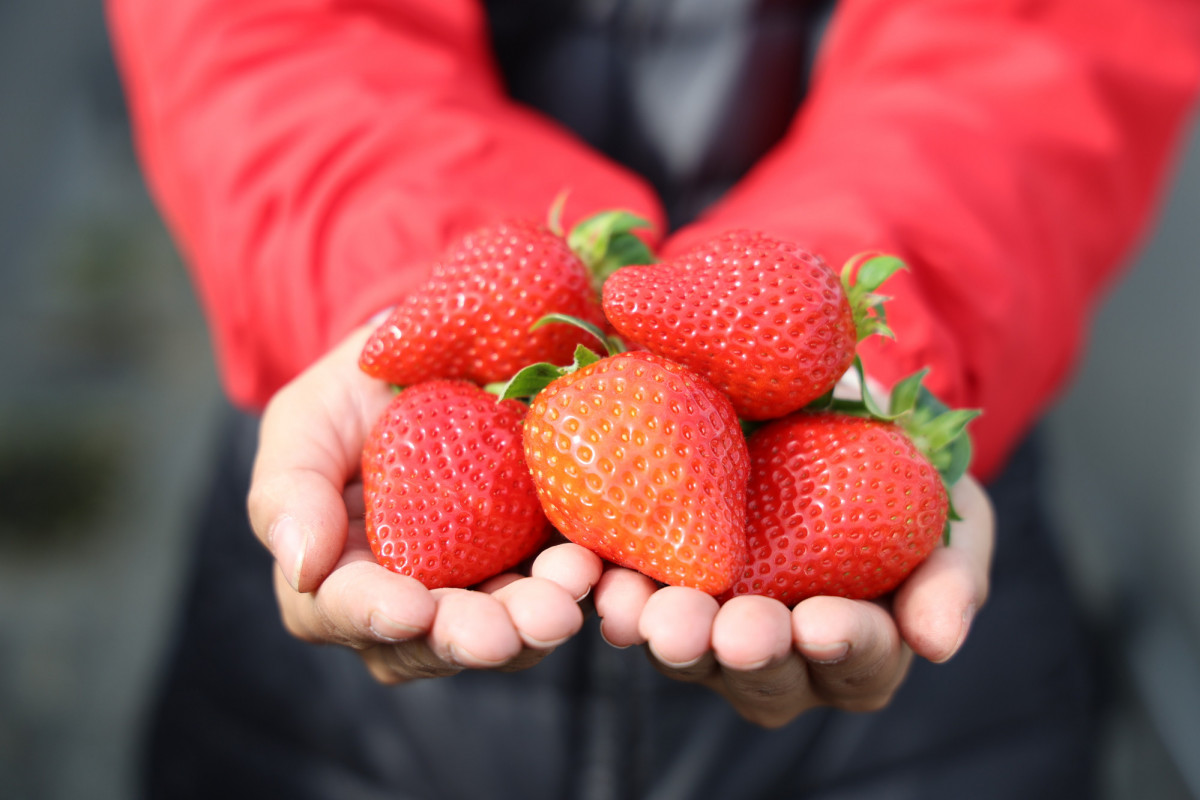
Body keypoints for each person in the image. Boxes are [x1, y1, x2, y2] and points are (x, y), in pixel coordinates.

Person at [107, 0, 1200, 797]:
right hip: (346, 650)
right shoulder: (453, 406)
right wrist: (408, 286)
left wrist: (870, 333)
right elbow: (268, 32)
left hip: (918, 691)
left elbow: (1038, 38)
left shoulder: (859, 449)